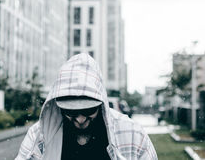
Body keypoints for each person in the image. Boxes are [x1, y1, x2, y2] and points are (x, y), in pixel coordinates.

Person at [15, 53, 157, 160]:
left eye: (89, 110)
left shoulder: (132, 134)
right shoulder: (38, 137)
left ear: (101, 103)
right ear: (58, 106)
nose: (81, 119)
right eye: (70, 111)